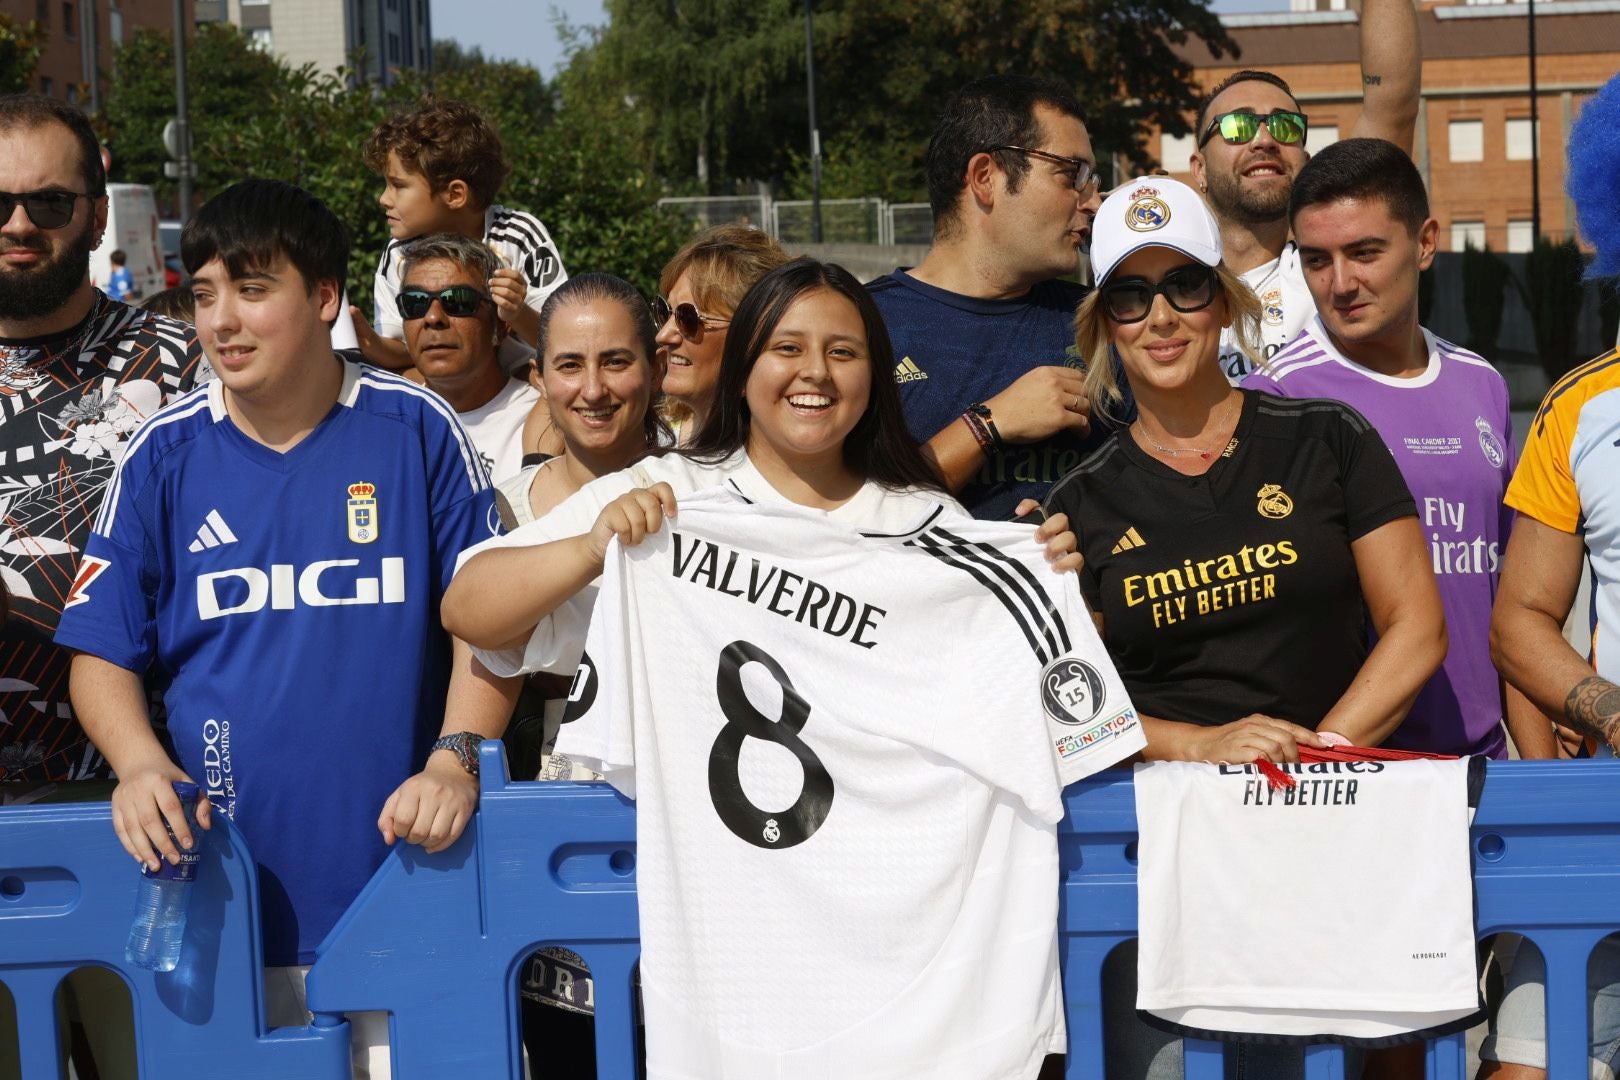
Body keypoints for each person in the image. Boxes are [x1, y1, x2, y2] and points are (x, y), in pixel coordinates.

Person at [54, 179, 511, 1080]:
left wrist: (456, 757)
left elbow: (491, 621)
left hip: (406, 897)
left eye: (254, 290)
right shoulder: (162, 455)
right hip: (217, 910)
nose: (223, 321)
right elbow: (99, 649)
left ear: (326, 299)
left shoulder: (416, 429)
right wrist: (139, 763)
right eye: (204, 294)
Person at [1045, 177, 1445, 1078]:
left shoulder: (1327, 439)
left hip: (1347, 837)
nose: (1161, 317)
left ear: (1222, 302)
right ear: (1104, 322)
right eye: (1130, 296)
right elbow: (1073, 707)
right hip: (1177, 864)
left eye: (1185, 286)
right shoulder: (1080, 507)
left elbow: (1417, 627)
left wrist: (1312, 765)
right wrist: (1200, 744)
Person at [0, 88, 206, 1080]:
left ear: (91, 212)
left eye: (47, 202)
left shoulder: (182, 364)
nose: (18, 224)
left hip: (157, 819)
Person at [1245, 137, 1527, 760]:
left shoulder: (1483, 383)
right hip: (1349, 769)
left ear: (1425, 243)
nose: (1340, 283)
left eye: (1364, 253)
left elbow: (1513, 596)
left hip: (1485, 761)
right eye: (1316, 260)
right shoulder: (1275, 399)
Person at [1479, 68, 1620, 1080]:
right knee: (1532, 1067)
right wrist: (1602, 704)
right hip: (1608, 814)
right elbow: (1519, 617)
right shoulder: (1578, 411)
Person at [498, 271, 669, 1078]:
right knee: (571, 1045)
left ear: (657, 368)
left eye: (617, 362)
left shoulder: (714, 491)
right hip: (550, 806)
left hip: (684, 796)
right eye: (569, 365)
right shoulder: (497, 509)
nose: (593, 389)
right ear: (537, 377)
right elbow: (471, 637)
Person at [868, 74, 1107, 520]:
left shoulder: (1102, 321)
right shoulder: (862, 327)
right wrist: (987, 425)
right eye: (1072, 174)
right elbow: (839, 518)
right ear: (985, 177)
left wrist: (1095, 520)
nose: (1091, 202)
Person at [1191, 0, 1421, 381]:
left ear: (1306, 159)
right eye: (1237, 126)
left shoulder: (1331, 275)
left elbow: (1392, 104)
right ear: (1198, 168)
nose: (1264, 139)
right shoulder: (1166, 282)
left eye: (1285, 126)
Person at [353, 98, 567, 375]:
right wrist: (370, 343)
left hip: (523, 384)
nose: (383, 199)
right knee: (410, 378)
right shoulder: (397, 253)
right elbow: (404, 351)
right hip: (447, 386)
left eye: (398, 186)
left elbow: (566, 342)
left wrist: (518, 313)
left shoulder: (519, 236)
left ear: (454, 194)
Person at [399, 232, 539, 484]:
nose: (433, 318)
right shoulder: (386, 420)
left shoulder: (545, 417)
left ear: (500, 326)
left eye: (458, 301)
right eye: (415, 303)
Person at [652, 224, 789, 443]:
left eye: (688, 318)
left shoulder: (785, 464)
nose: (664, 335)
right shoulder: (649, 439)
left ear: (750, 337)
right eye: (664, 311)